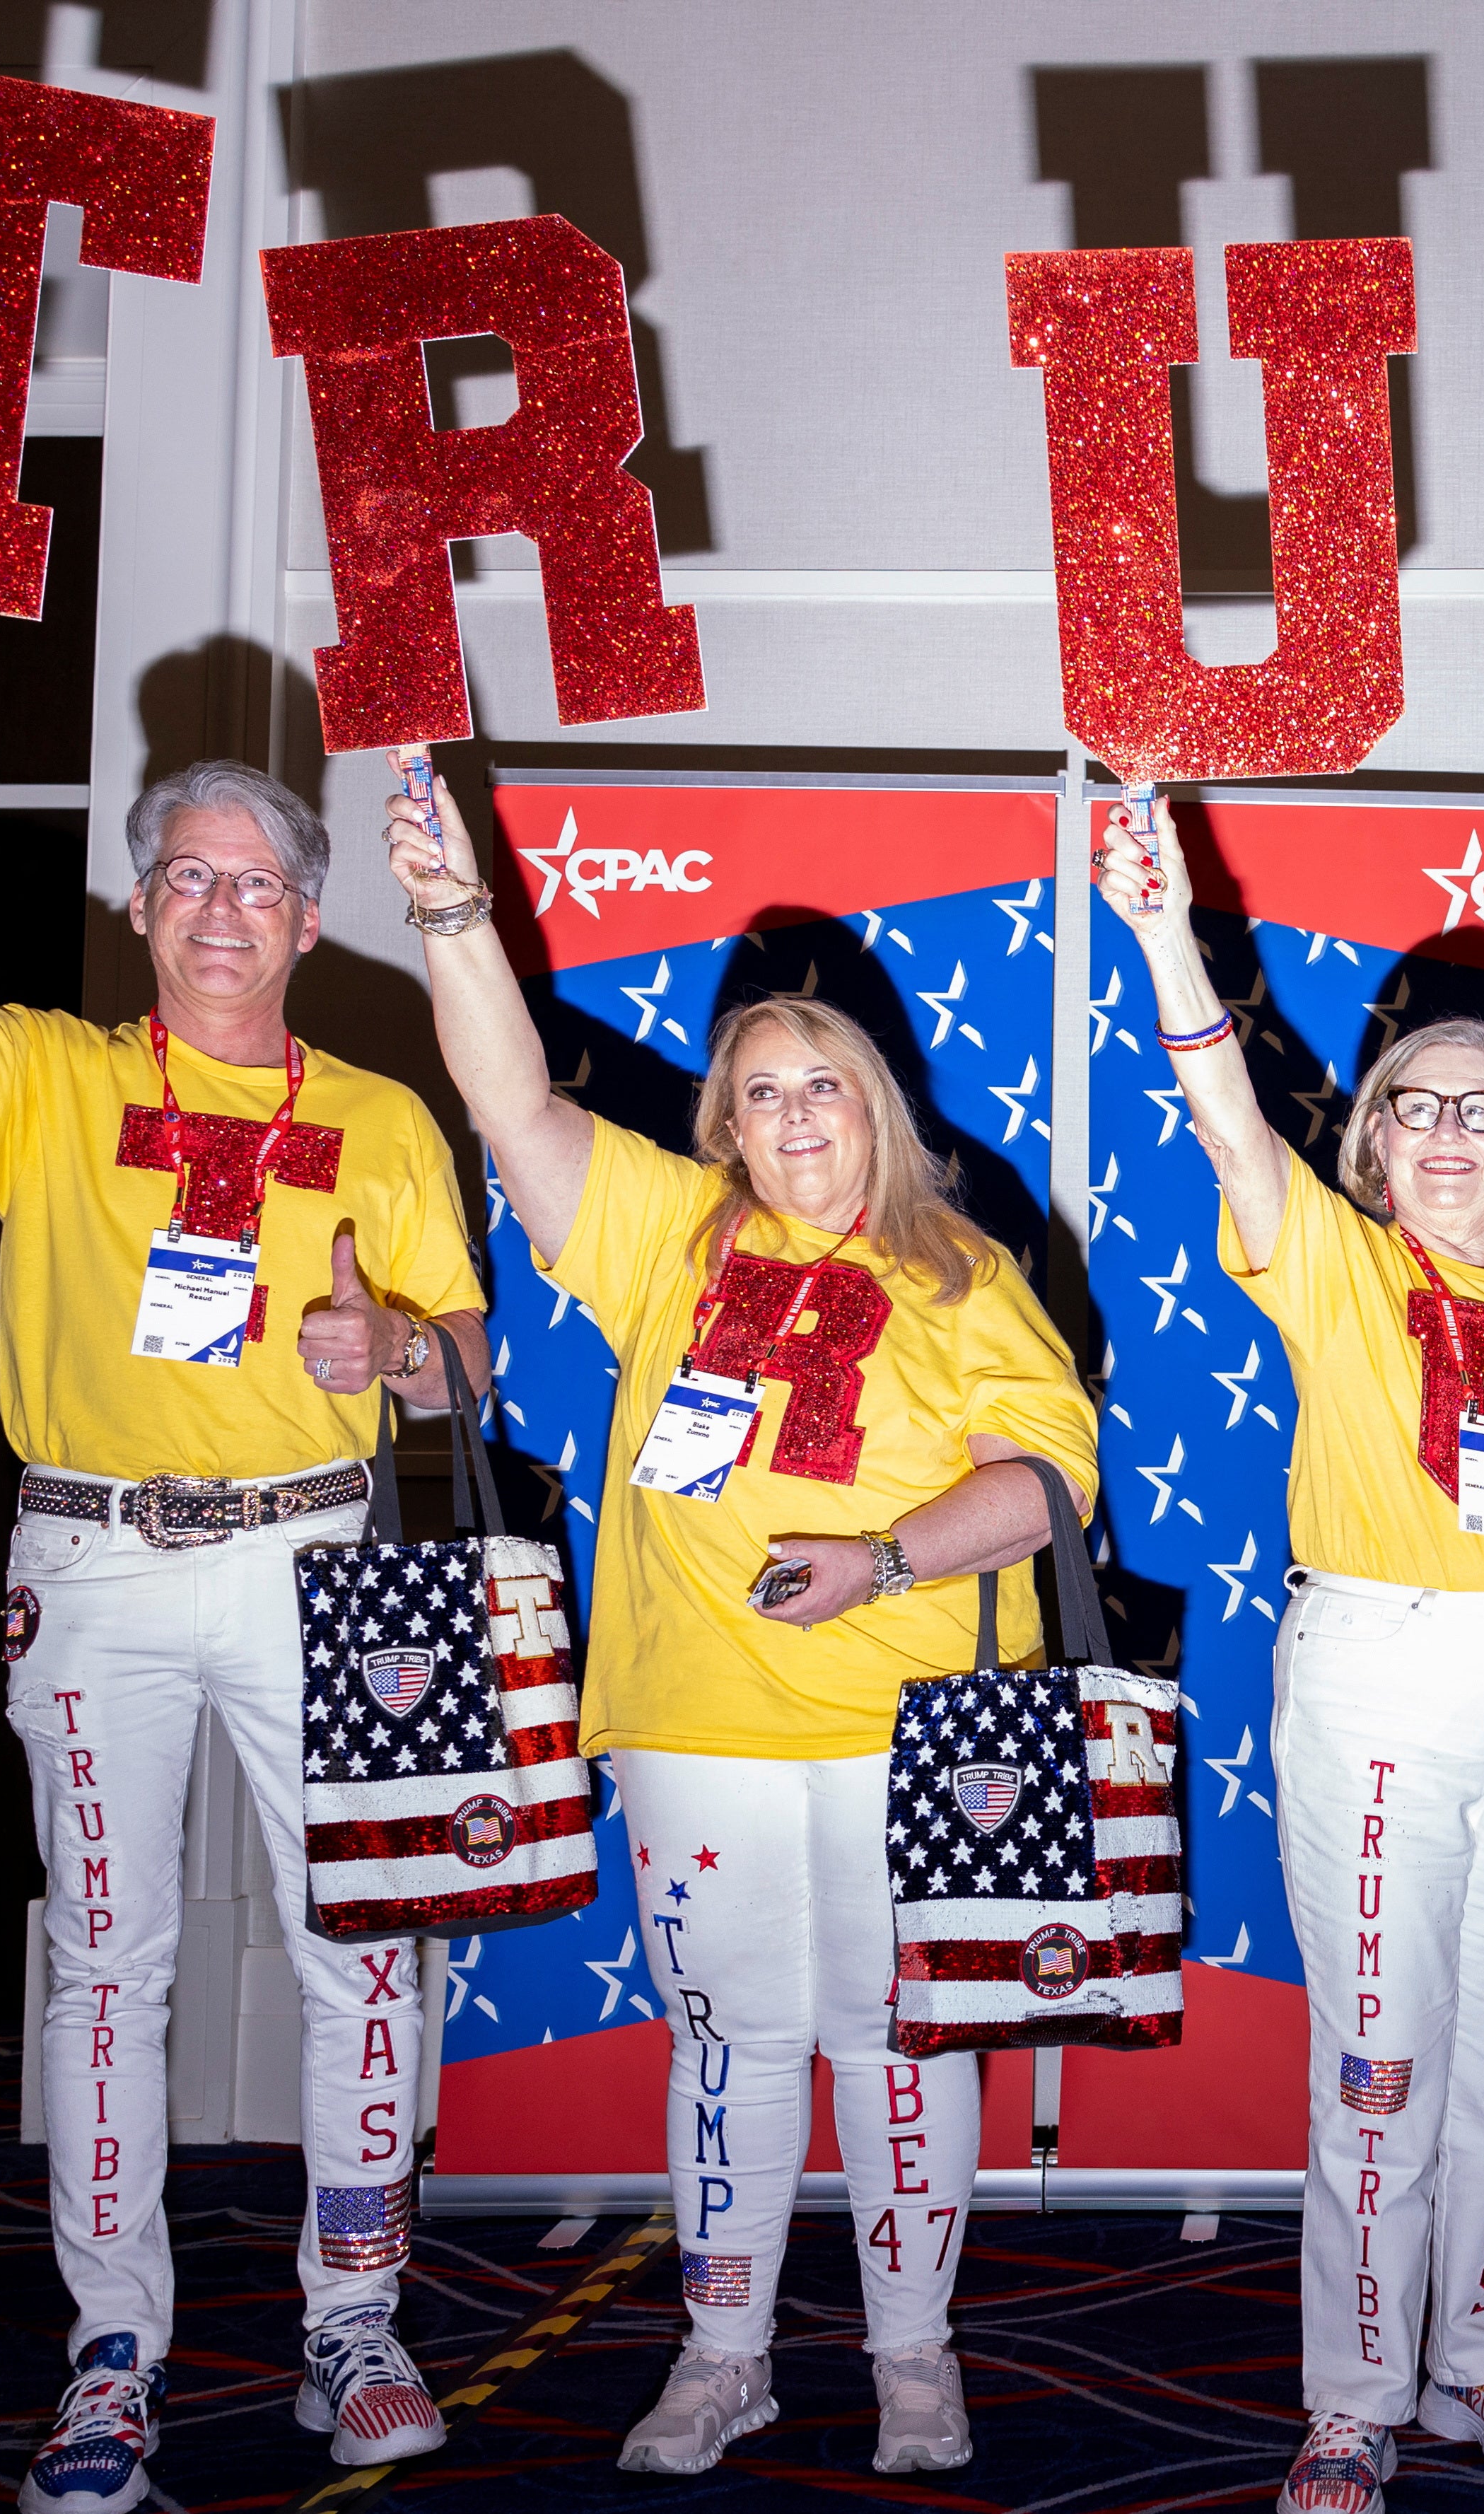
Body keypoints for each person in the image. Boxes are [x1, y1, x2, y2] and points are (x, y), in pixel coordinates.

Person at [0, 656, 490, 2514]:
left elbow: (467, 1365)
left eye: (254, 881)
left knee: (366, 1946)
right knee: (109, 1963)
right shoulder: (50, 1073)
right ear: (137, 904)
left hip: (312, 1557)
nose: (217, 908)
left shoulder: (381, 1110)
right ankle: (113, 2351)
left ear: (307, 916)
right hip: (96, 1565)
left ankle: (355, 2319)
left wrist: (392, 1343)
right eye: (183, 876)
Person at [383, 762, 1097, 2479]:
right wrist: (453, 913)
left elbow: (1047, 1481)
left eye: (820, 1088)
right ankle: (725, 2353)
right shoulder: (666, 1235)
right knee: (730, 2038)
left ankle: (912, 2358)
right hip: (696, 1714)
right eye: (758, 1090)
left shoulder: (962, 1268)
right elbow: (504, 1095)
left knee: (896, 2041)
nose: (790, 1115)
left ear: (876, 1107)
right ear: (724, 1122)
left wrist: (887, 1558)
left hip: (903, 1720)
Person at [1094, 799, 1484, 2514]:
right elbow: (1224, 1112)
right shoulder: (1335, 1265)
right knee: (1378, 2050)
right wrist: (1160, 926)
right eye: (1415, 1104)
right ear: (1375, 1139)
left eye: (1483, 1105)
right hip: (1377, 1666)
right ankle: (1354, 2387)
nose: (1449, 1130)